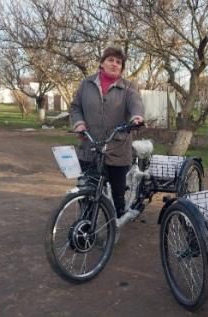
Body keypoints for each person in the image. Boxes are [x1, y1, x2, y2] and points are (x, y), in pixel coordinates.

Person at [70, 47, 145, 220]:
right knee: (88, 191)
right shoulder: (86, 84)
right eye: (111, 60)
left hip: (117, 148)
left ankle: (115, 225)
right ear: (102, 63)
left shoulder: (128, 88)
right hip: (90, 147)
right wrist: (79, 123)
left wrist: (136, 117)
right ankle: (86, 228)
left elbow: (136, 104)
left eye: (119, 62)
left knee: (118, 194)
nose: (114, 64)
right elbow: (75, 107)